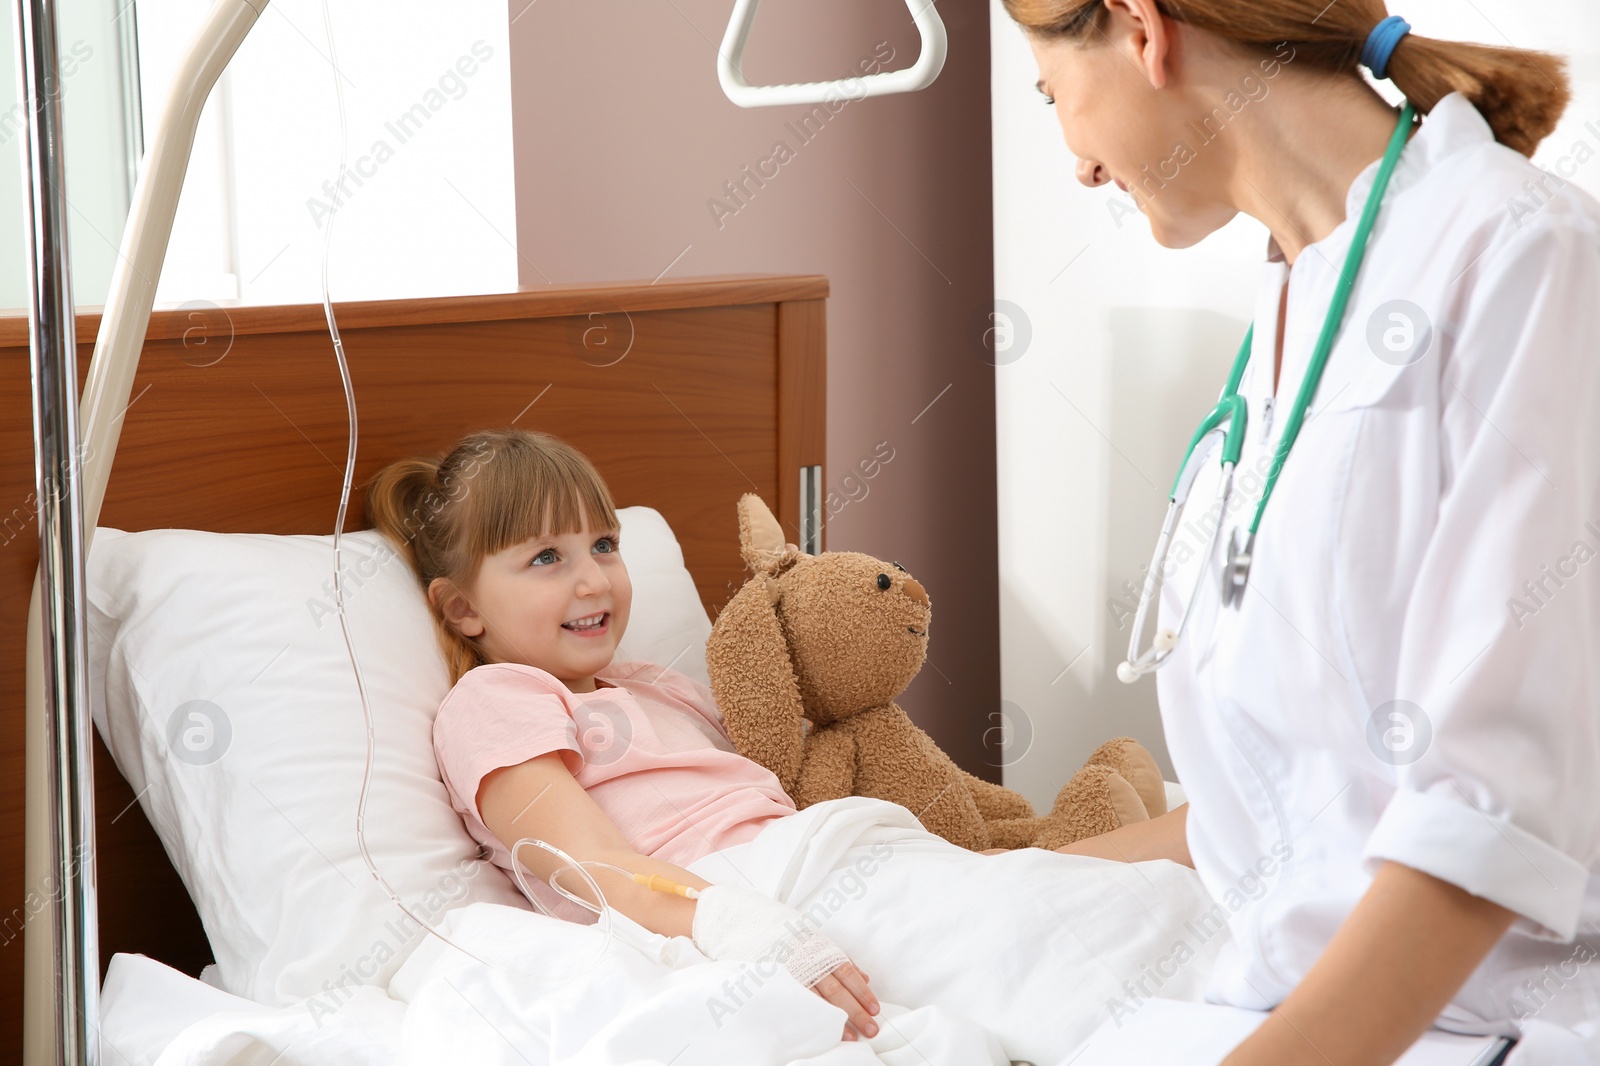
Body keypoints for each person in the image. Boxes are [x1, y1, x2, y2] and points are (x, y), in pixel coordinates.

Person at [1004, 1, 1600, 1063]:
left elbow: (1490, 819)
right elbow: (1303, 795)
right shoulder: (1298, 302)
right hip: (1287, 1005)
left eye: (1053, 95)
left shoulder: (1522, 253)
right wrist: (1019, 875)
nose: (1079, 165)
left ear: (1143, 32)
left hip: (1496, 1026)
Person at [365, 427, 1223, 1063]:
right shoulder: (495, 699)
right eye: (545, 558)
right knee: (1056, 941)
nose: (592, 577)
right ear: (461, 609)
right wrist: (757, 932)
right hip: (752, 888)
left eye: (603, 544)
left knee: (1034, 891)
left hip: (834, 846)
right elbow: (587, 862)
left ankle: (1243, 859)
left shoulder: (654, 684)